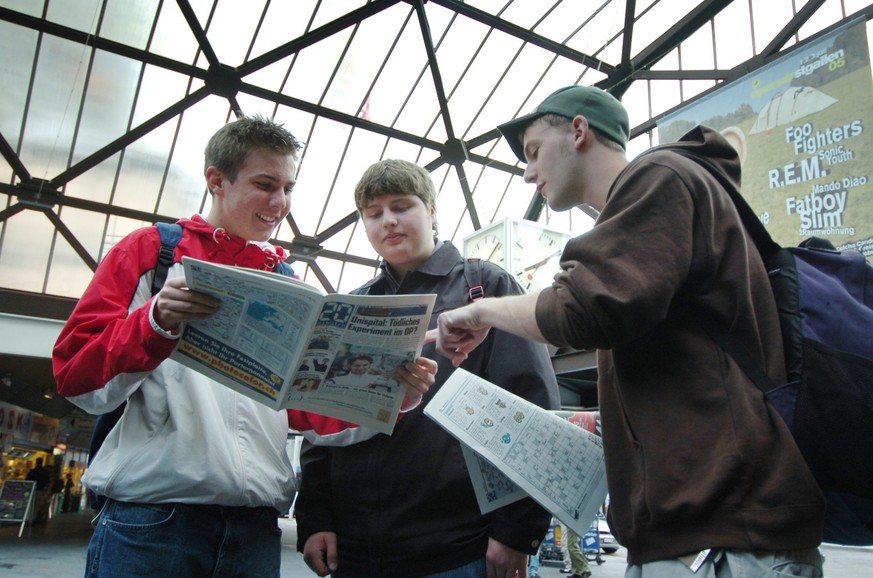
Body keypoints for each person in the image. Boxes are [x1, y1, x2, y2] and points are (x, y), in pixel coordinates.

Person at [429, 86, 826, 576]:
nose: (529, 172)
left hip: (727, 532)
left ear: (579, 131)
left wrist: (481, 312)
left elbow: (583, 310)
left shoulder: (659, 178)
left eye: (534, 152)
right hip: (697, 532)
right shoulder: (656, 206)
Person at [53, 115, 434, 578]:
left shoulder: (292, 284)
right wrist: (154, 323)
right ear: (217, 179)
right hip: (153, 524)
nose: (280, 204)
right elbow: (76, 379)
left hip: (254, 532)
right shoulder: (151, 254)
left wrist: (393, 394)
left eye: (289, 188)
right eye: (265, 184)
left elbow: (313, 417)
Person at [293, 159, 561, 578]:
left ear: (432, 211)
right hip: (356, 550)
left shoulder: (486, 288)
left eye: (402, 207)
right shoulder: (352, 305)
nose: (389, 222)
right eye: (374, 213)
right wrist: (315, 517)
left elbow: (533, 409)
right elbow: (322, 422)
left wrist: (515, 532)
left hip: (458, 548)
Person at [25, 457, 51, 524]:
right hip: (40, 490)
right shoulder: (45, 472)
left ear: (36, 462)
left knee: (31, 504)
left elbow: (27, 480)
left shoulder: (32, 471)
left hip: (32, 490)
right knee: (37, 505)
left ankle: (29, 518)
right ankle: (34, 519)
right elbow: (47, 482)